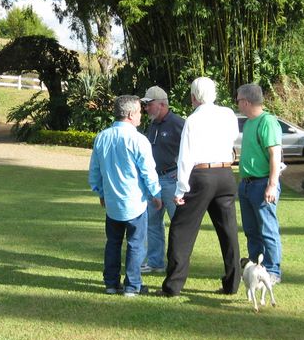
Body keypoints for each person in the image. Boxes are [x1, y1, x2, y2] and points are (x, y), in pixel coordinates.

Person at [160, 77, 241, 297]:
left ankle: (173, 286)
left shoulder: (193, 120)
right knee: (228, 231)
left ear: (194, 96)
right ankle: (232, 283)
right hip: (225, 173)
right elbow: (233, 138)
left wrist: (180, 189)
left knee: (181, 230)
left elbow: (185, 156)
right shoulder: (228, 114)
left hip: (201, 175)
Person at [88, 95, 163, 296]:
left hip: (112, 202)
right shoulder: (138, 140)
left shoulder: (102, 137)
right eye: (139, 112)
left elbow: (95, 171)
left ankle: (111, 284)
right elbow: (148, 172)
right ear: (130, 114)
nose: (141, 115)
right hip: (134, 203)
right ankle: (132, 285)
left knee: (113, 243)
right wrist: (156, 193)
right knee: (136, 245)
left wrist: (100, 192)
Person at [235, 83, 283, 283]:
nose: (237, 103)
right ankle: (255, 267)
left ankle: (272, 271)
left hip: (262, 184)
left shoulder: (267, 121)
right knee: (251, 230)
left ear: (246, 102)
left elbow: (275, 155)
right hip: (247, 184)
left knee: (267, 229)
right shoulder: (249, 123)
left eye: (238, 100)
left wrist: (272, 184)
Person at [139, 85, 185, 275]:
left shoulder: (178, 123)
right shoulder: (153, 124)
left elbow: (191, 149)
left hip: (172, 180)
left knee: (178, 224)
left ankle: (179, 265)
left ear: (162, 104)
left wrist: (181, 171)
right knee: (153, 222)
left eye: (149, 104)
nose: (146, 108)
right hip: (154, 180)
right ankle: (156, 262)